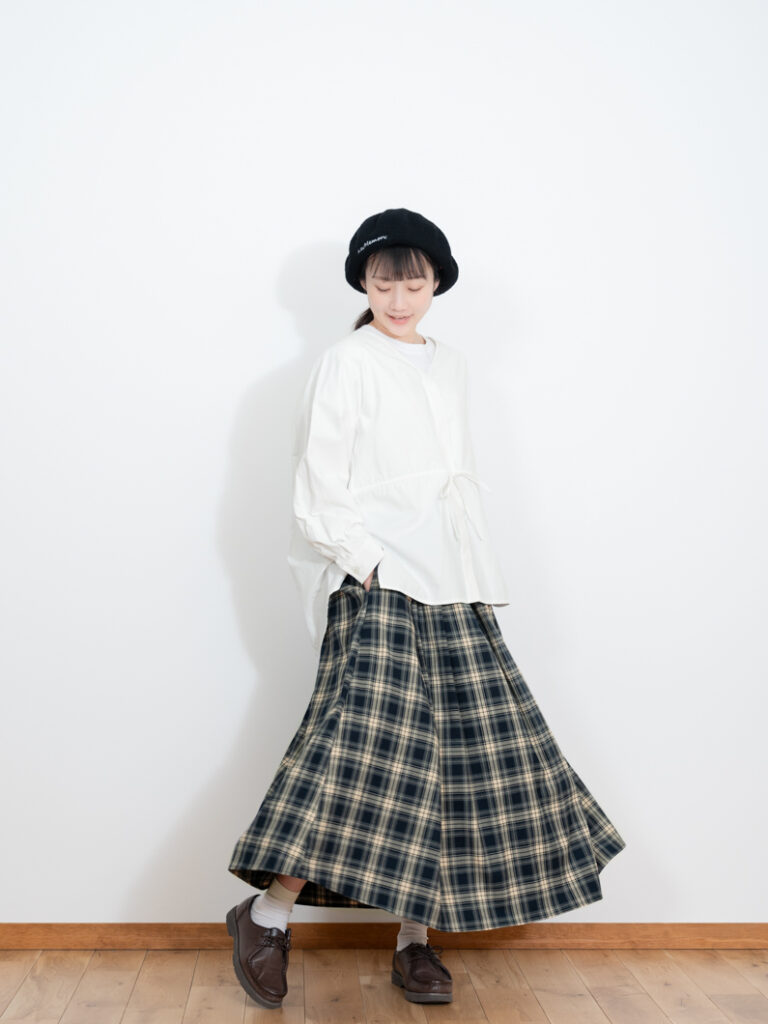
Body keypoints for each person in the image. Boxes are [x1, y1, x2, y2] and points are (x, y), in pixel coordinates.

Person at [226, 208, 627, 1010]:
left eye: (413, 282)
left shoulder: (453, 366)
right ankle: (267, 916)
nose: (399, 298)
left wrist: (469, 570)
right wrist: (367, 563)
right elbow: (318, 480)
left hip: (454, 580)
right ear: (363, 285)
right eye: (383, 283)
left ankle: (415, 940)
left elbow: (455, 476)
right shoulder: (346, 362)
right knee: (355, 753)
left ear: (437, 281)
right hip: (378, 580)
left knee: (457, 762)